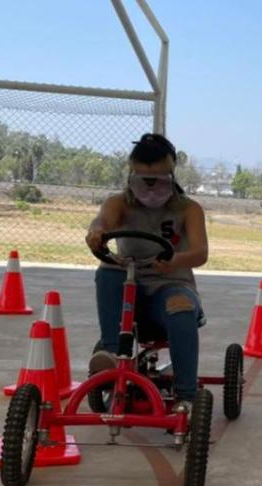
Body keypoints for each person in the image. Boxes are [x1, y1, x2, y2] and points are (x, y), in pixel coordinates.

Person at [85, 133, 208, 407]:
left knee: (180, 307)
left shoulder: (189, 209)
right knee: (107, 271)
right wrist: (96, 231)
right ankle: (112, 353)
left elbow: (200, 253)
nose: (151, 189)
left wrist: (174, 261)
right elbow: (102, 221)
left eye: (159, 181)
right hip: (130, 290)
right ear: (131, 177)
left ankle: (186, 397)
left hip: (171, 286)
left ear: (172, 176)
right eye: (144, 181)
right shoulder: (119, 203)